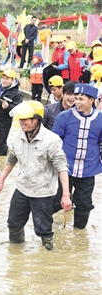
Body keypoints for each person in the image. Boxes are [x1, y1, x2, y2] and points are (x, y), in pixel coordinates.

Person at [0, 101, 71, 250]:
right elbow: (11, 160)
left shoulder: (51, 140)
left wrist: (66, 195)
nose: (21, 123)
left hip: (43, 192)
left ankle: (48, 257)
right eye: (20, 119)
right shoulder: (18, 138)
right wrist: (1, 180)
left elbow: (62, 167)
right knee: (13, 224)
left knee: (43, 230)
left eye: (25, 119)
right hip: (22, 188)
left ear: (36, 120)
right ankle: (16, 254)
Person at [51, 84, 102, 229]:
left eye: (81, 99)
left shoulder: (100, 119)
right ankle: (45, 227)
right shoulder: (64, 117)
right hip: (65, 168)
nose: (76, 101)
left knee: (84, 204)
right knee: (56, 200)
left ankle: (79, 234)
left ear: (92, 100)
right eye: (76, 98)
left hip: (88, 169)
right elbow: (54, 142)